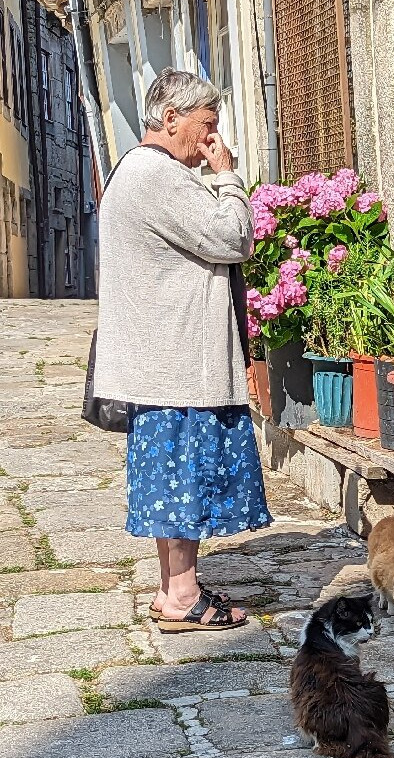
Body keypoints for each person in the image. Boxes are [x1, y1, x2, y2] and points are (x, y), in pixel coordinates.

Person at [94, 68, 272, 633]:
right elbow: (234, 236)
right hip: (176, 362)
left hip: (162, 362)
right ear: (170, 119)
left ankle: (174, 589)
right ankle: (183, 597)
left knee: (171, 481)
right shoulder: (159, 176)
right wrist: (229, 178)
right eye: (207, 124)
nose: (212, 139)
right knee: (185, 478)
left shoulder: (135, 169)